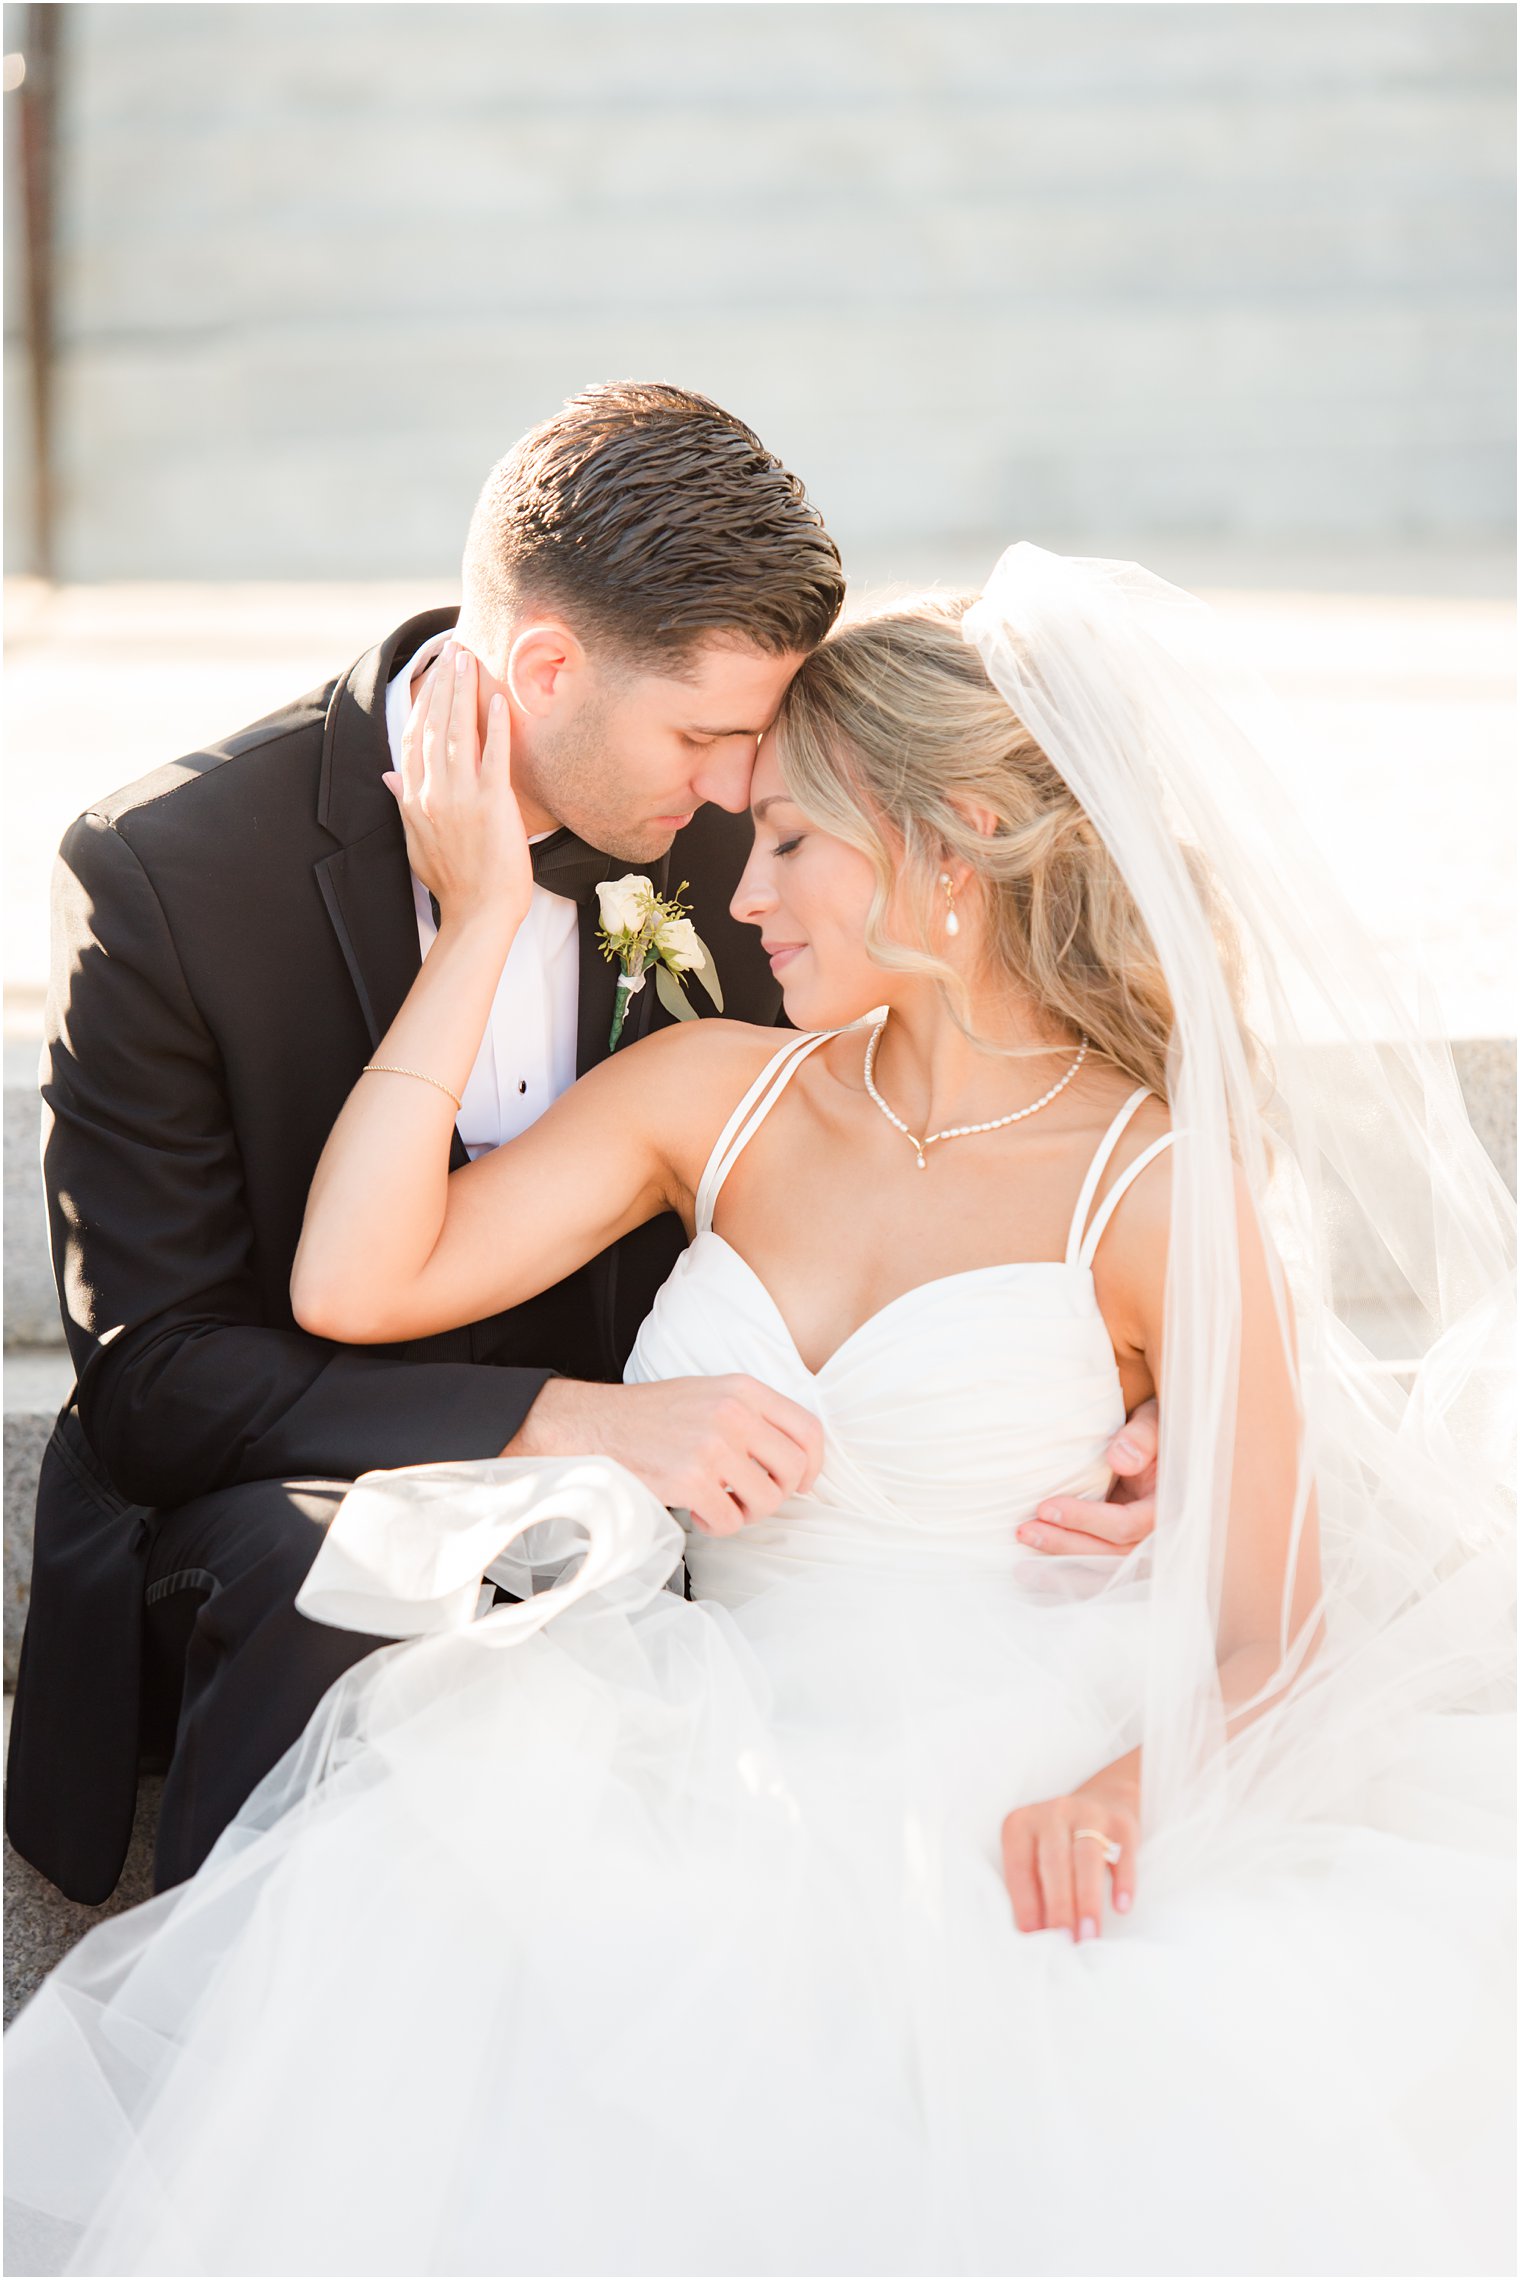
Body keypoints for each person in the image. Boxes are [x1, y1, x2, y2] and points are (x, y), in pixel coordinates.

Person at [6, 550, 1509, 2277]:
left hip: (1020, 1746)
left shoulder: (1153, 1183)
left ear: (948, 850)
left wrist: (1120, 1791)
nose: (744, 881)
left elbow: (1273, 1628)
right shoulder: (717, 1092)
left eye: (791, 839)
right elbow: (354, 1284)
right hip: (697, 1725)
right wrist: (482, 922)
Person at [7, 384, 1157, 1908]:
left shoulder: (766, 833)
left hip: (735, 1534)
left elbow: (1013, 1128)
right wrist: (571, 1423)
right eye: (709, 734)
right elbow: (159, 1387)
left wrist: (1153, 1402)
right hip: (298, 1497)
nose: (747, 794)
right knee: (379, 1589)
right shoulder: (170, 877)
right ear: (545, 667)